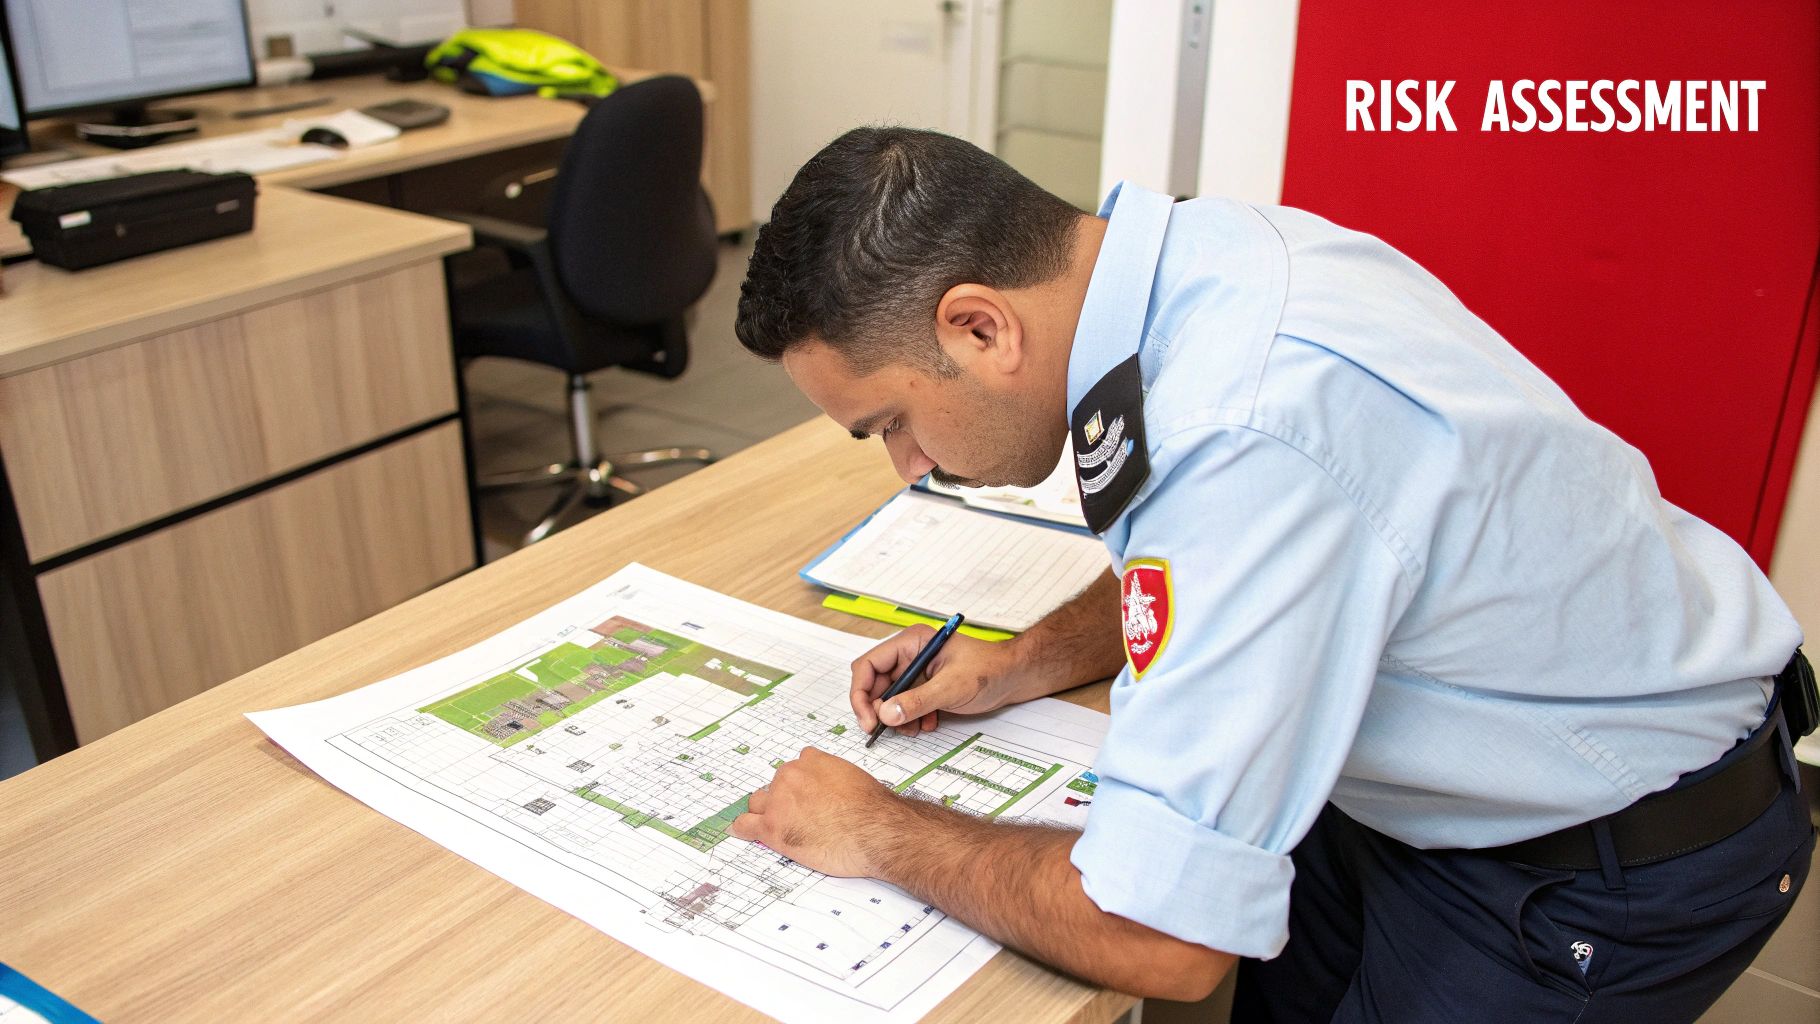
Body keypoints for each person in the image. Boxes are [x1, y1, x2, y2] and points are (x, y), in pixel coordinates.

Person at [726, 126, 1817, 1020]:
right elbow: (1200, 561)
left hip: (1601, 854)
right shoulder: (1192, 261)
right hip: (1409, 785)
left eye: (890, 421)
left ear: (979, 326)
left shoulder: (1243, 419)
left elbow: (1160, 936)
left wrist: (882, 831)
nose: (907, 467)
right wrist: (1021, 661)